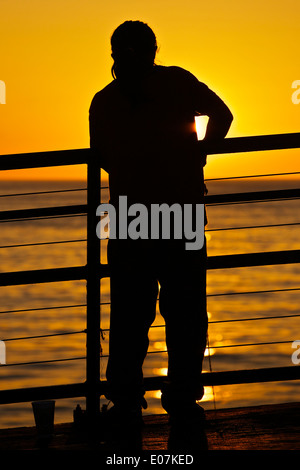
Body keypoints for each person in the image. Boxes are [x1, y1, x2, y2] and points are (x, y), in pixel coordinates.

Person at [89, 20, 233, 449]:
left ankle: (127, 401)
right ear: (154, 50)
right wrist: (199, 154)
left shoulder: (104, 102)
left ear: (115, 54)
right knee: (186, 312)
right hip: (182, 211)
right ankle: (183, 399)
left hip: (132, 217)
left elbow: (101, 157)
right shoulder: (177, 82)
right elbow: (223, 115)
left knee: (131, 314)